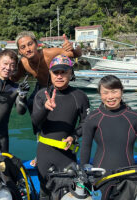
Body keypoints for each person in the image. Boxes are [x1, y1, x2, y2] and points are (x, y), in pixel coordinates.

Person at [80, 75, 137, 199]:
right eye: (105, 92)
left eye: (114, 91)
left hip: (128, 177)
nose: (110, 97)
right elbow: (85, 147)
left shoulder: (134, 117)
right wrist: (83, 173)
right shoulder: (92, 118)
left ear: (122, 91)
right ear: (100, 94)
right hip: (101, 177)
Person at [31, 55, 90, 199]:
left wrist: (74, 136)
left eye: (63, 72)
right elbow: (35, 123)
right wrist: (45, 108)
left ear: (71, 73)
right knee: (45, 193)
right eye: (55, 72)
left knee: (67, 192)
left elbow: (86, 123)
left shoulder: (80, 96)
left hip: (66, 155)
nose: (59, 76)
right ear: (50, 74)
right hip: (45, 155)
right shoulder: (41, 95)